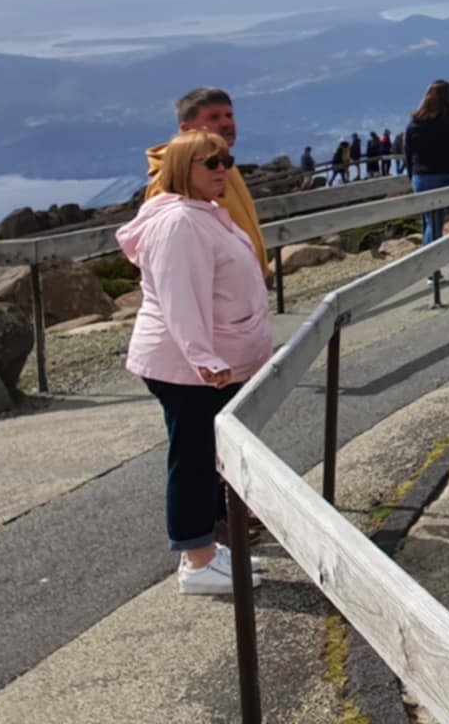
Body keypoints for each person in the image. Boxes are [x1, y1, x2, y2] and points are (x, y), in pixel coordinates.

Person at [116, 130, 272, 596]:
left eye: (225, 159)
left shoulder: (202, 214)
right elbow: (179, 297)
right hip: (186, 368)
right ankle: (197, 560)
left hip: (206, 364)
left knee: (207, 458)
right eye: (210, 162)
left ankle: (206, 550)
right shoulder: (180, 222)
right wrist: (203, 359)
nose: (222, 168)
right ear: (185, 170)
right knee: (193, 458)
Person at [147, 89, 267, 282]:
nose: (226, 123)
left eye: (229, 115)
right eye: (213, 117)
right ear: (187, 130)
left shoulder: (224, 164)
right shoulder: (170, 179)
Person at [405, 80, 449, 269]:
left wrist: (411, 175)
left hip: (424, 176)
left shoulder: (416, 121)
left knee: (433, 223)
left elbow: (408, 150)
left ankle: (431, 268)